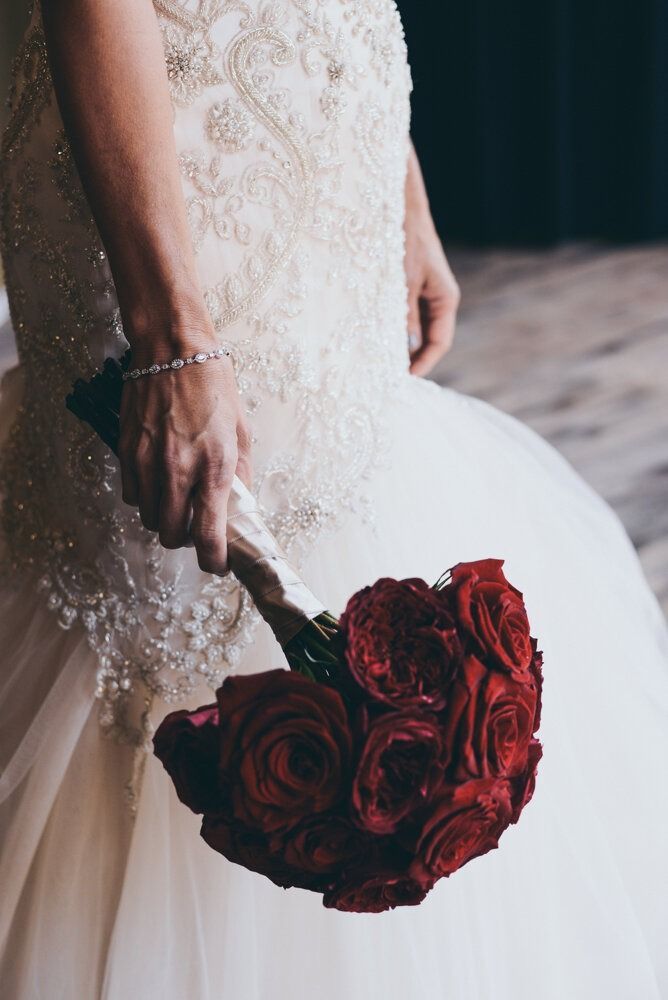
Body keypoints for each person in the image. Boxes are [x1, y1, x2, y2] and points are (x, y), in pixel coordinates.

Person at [1, 2, 666, 997]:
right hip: (170, 134)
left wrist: (394, 176)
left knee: (339, 497)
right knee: (160, 578)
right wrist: (172, 329)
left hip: (317, 122)